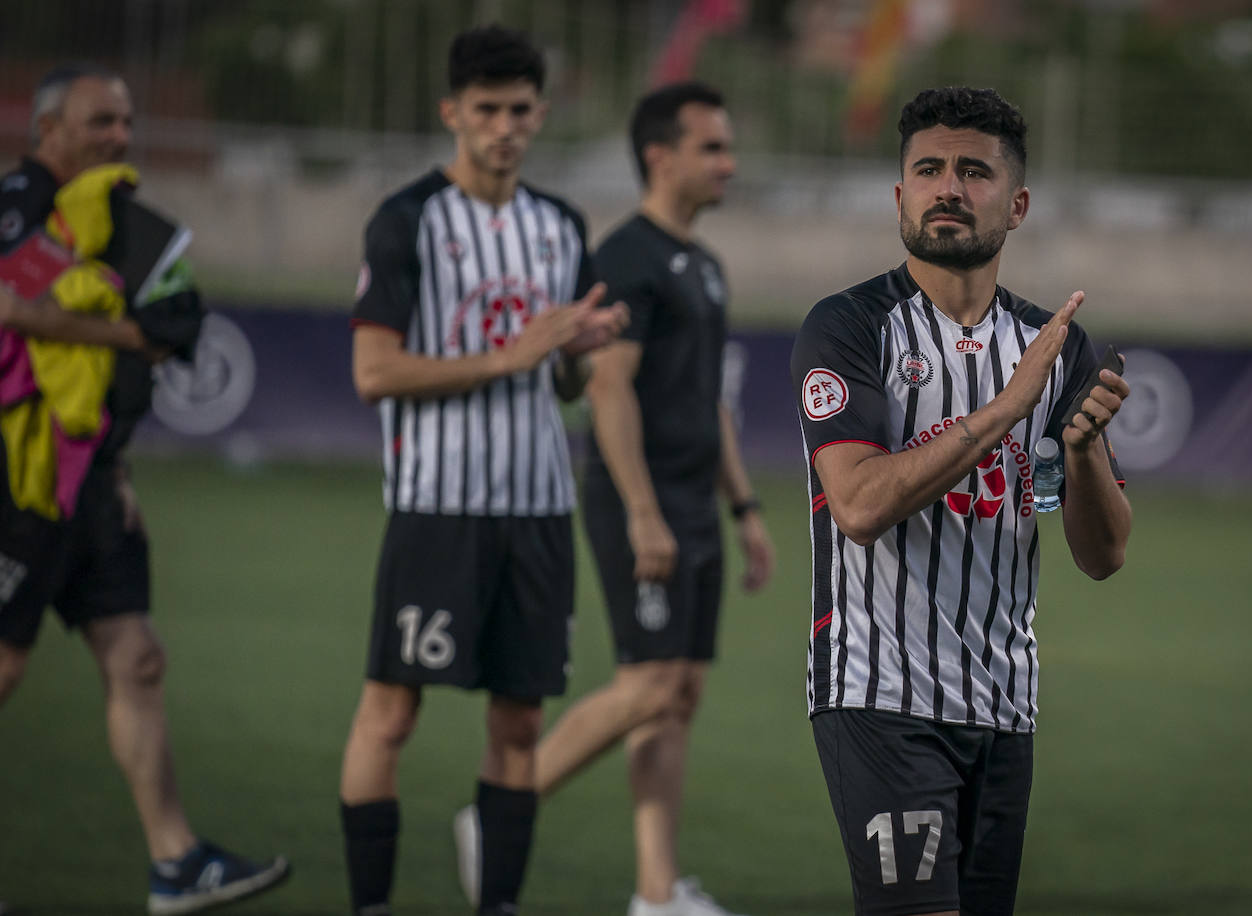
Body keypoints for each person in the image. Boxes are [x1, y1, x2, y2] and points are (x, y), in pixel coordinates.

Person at [789, 86, 1132, 916]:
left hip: (1004, 704)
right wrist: (1010, 408)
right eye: (928, 169)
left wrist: (1080, 454)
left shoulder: (1057, 344)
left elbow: (1103, 553)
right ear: (900, 194)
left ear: (1015, 205)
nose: (948, 186)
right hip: (879, 694)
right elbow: (861, 507)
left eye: (973, 172)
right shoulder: (848, 327)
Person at [338, 26, 628, 916]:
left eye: (519, 110)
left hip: (538, 510)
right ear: (452, 113)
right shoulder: (407, 220)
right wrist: (507, 357)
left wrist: (575, 354)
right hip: (437, 507)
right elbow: (374, 371)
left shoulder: (561, 227)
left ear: (540, 114)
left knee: (519, 724)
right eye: (487, 110)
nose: (504, 126)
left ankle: (495, 904)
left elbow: (569, 381)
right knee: (391, 715)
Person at [0, 65, 290, 913]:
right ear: (48, 128)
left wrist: (117, 461)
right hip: (24, 476)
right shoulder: (18, 200)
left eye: (125, 123)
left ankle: (177, 865)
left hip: (91, 479)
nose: (119, 138)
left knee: (139, 658)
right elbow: (14, 312)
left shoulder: (121, 222)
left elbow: (159, 333)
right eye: (100, 123)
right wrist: (134, 333)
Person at [508, 81, 775, 916]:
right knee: (651, 688)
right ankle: (498, 810)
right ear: (660, 156)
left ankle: (657, 896)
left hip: (699, 505)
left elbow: (709, 406)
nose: (729, 163)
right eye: (712, 148)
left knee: (679, 698)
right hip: (643, 504)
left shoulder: (706, 264)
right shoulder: (624, 258)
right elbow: (608, 391)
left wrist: (747, 511)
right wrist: (644, 512)